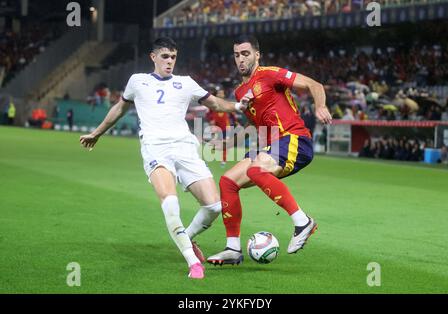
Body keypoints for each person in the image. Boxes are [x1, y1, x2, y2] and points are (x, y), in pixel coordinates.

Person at [79, 37, 249, 279]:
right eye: (165, 56)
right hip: (155, 149)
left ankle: (186, 237)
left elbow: (214, 103)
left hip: (185, 147)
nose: (170, 61)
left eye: (173, 57)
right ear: (153, 57)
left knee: (213, 206)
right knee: (171, 204)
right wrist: (97, 133)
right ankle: (192, 262)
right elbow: (120, 108)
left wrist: (237, 107)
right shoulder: (138, 81)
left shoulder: (186, 83)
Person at [207, 35, 332, 265]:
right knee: (227, 182)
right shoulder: (239, 92)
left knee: (256, 170)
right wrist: (228, 143)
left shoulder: (270, 73)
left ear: (257, 54)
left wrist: (320, 105)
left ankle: (302, 222)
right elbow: (252, 125)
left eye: (246, 53)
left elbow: (315, 85)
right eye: (236, 55)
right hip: (271, 144)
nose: (241, 59)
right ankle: (233, 249)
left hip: (294, 138)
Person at [206, 85, 237, 168]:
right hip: (216, 127)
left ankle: (223, 160)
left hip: (225, 127)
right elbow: (208, 114)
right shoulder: (213, 104)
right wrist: (210, 120)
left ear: (224, 95)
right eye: (219, 93)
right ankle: (210, 157)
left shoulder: (227, 104)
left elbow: (233, 115)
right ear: (217, 95)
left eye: (222, 93)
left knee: (224, 144)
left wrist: (235, 123)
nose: (220, 95)